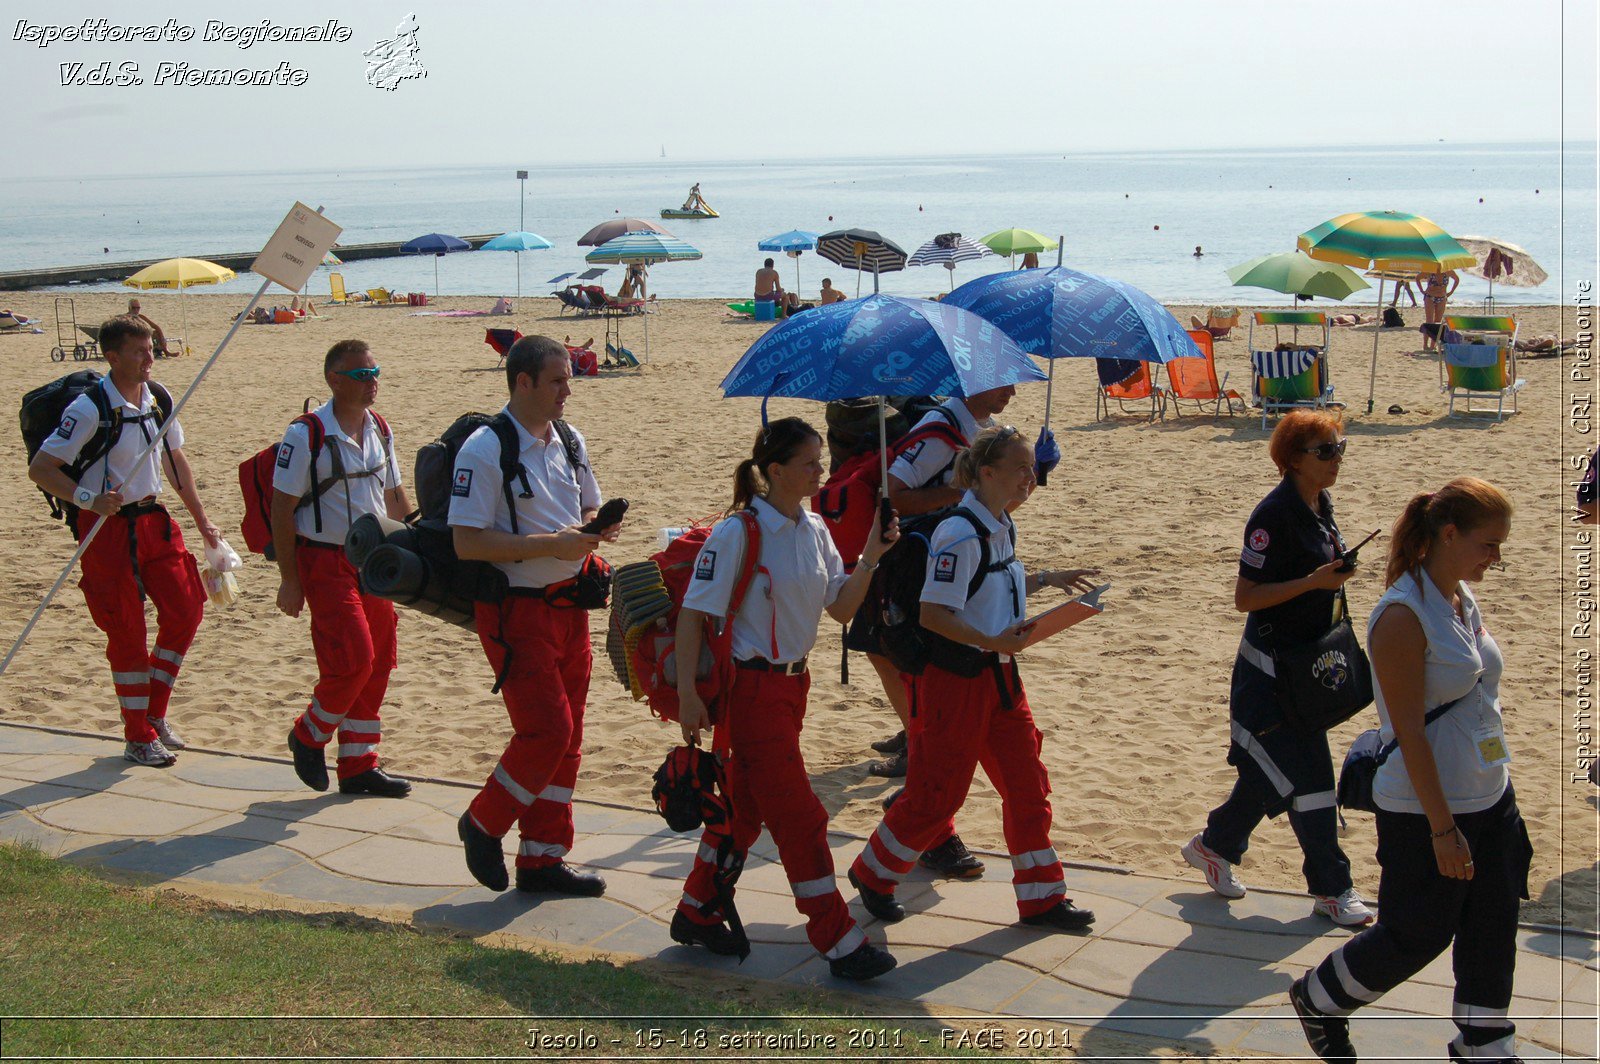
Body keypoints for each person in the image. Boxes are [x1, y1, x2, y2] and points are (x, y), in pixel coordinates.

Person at [1292, 478, 1528, 1064]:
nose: (1496, 558)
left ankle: (1483, 1042)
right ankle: (1320, 997)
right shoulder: (1401, 615)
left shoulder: (1457, 597)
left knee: (1492, 927)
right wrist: (1443, 830)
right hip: (1426, 809)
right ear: (1449, 535)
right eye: (1489, 545)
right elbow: (1411, 733)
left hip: (1489, 795)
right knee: (1415, 934)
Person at [670, 417, 899, 982]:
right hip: (750, 693)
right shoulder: (738, 532)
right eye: (811, 464)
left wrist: (872, 553)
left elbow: (841, 609)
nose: (822, 472)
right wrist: (687, 699)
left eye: (821, 461)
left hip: (793, 687)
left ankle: (696, 911)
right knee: (800, 817)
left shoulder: (813, 528)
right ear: (775, 471)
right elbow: (693, 616)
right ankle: (837, 939)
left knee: (744, 812)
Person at [848, 425, 1101, 933]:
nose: (1032, 477)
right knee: (936, 794)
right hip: (956, 682)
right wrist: (995, 642)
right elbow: (935, 613)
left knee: (1028, 787)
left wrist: (1046, 580)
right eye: (1022, 468)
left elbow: (986, 583)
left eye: (1033, 468)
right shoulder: (959, 532)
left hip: (999, 677)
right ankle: (872, 873)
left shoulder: (999, 523)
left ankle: (1043, 898)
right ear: (986, 473)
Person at [1180, 410, 1375, 928]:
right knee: (1311, 775)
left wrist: (1331, 578)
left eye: (1340, 448)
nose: (1336, 460)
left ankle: (1214, 844)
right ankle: (1333, 889)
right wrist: (1314, 582)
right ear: (1292, 459)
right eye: (1325, 451)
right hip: (1269, 674)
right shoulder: (1272, 516)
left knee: (1271, 772)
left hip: (1304, 666)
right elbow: (1245, 597)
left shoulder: (1319, 502)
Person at [449, 335, 623, 894]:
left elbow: (587, 504)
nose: (569, 390)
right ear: (522, 382)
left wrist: (594, 526)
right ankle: (483, 822)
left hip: (571, 608)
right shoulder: (484, 448)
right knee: (547, 731)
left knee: (568, 739)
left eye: (569, 379)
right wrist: (555, 543)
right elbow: (467, 543)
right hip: (516, 612)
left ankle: (543, 859)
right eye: (558, 380)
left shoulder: (569, 439)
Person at [28, 315, 219, 767]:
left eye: (151, 348)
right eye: (139, 351)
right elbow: (41, 468)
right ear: (112, 357)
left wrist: (204, 522)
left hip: (153, 520)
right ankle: (137, 735)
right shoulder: (89, 409)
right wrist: (88, 499)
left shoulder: (160, 398)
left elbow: (175, 464)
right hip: (105, 529)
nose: (150, 357)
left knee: (187, 608)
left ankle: (153, 713)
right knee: (127, 631)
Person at [857, 385, 1022, 881]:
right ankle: (920, 841)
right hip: (915, 592)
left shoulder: (977, 435)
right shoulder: (938, 435)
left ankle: (928, 829)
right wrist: (967, 489)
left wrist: (1005, 488)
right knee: (935, 754)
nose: (1012, 391)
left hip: (941, 593)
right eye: (1003, 381)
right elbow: (895, 494)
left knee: (942, 755)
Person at [279, 340, 414, 798]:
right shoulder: (305, 434)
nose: (372, 381)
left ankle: (358, 765)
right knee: (353, 659)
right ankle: (308, 735)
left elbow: (394, 495)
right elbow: (283, 510)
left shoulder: (380, 427)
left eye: (375, 371)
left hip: (375, 559)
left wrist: (416, 551)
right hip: (325, 560)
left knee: (380, 661)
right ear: (334, 379)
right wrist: (289, 579)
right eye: (361, 374)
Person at [1420, 270, 1460, 351]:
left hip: (1442, 298)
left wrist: (1451, 292)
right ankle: (1425, 345)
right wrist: (1422, 290)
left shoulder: (1449, 271)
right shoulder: (1430, 270)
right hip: (1430, 297)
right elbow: (1418, 278)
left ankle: (1432, 345)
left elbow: (1457, 279)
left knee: (1438, 322)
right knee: (1429, 321)